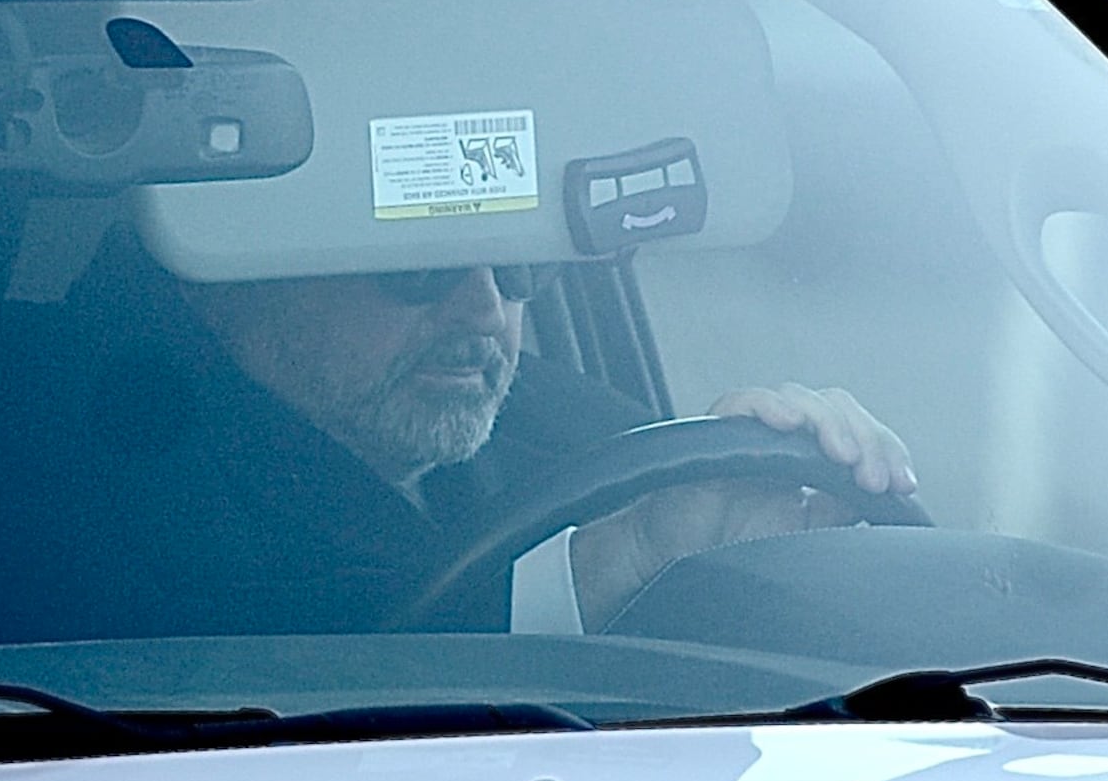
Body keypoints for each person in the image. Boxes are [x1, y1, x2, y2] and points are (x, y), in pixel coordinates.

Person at [182, 262, 917, 634]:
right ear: (235, 268)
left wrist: (790, 554)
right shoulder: (85, 479)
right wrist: (610, 562)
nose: (484, 307)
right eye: (417, 263)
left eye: (516, 260)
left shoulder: (575, 426)